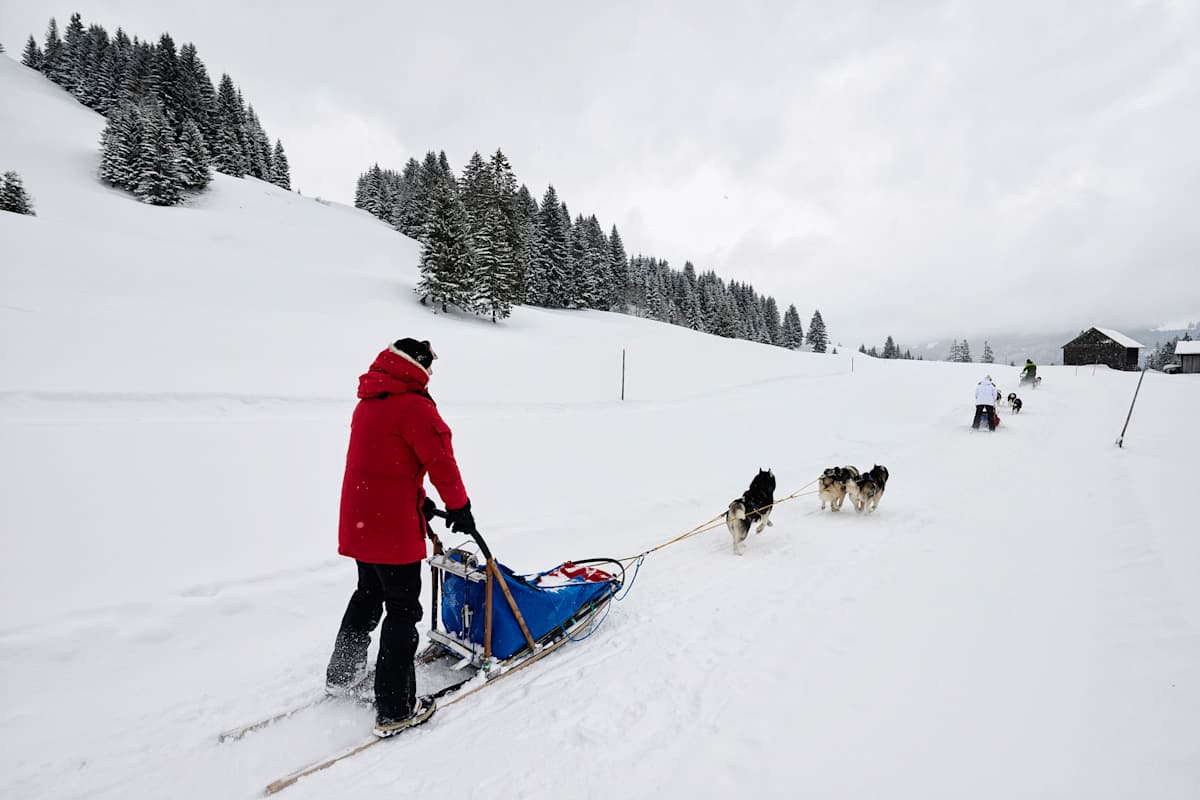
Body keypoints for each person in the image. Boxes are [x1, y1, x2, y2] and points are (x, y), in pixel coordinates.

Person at [326, 338, 479, 737]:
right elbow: (441, 463)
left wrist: (419, 499)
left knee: (368, 592)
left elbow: (385, 462)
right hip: (392, 528)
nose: (431, 374)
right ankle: (395, 709)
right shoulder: (415, 406)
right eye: (429, 367)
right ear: (419, 366)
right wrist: (459, 507)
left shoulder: (369, 401)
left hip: (361, 520)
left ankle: (342, 673)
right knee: (402, 608)